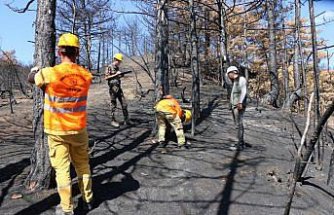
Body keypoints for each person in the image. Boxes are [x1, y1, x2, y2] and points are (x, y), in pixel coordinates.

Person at [28, 33, 94, 215]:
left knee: (62, 170)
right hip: (79, 129)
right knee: (83, 165)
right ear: (78, 52)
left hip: (56, 130)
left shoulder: (50, 73)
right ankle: (88, 200)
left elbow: (31, 79)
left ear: (59, 51)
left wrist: (35, 71)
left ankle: (67, 209)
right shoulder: (86, 75)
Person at [105, 53, 130, 127]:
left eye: (120, 61)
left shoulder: (117, 68)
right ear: (115, 60)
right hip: (113, 89)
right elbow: (106, 78)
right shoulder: (109, 67)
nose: (120, 63)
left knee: (124, 103)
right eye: (119, 61)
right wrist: (116, 75)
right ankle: (113, 120)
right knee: (113, 104)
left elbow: (116, 77)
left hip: (119, 88)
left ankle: (126, 120)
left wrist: (120, 75)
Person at [226, 66, 248, 151]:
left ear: (232, 72)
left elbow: (244, 91)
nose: (228, 77)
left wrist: (240, 102)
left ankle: (241, 143)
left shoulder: (241, 79)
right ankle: (239, 141)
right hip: (234, 105)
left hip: (239, 105)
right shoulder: (235, 82)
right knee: (237, 124)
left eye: (228, 74)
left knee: (239, 124)